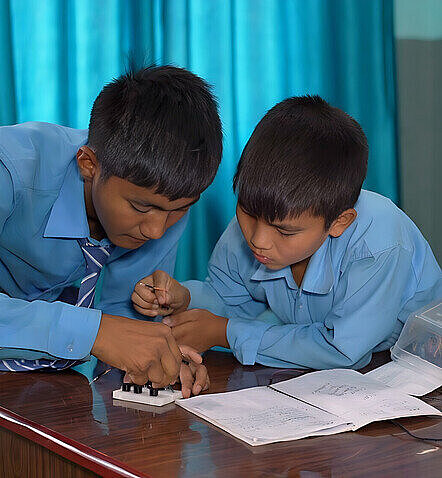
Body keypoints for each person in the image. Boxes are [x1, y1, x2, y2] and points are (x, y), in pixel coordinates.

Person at [132, 95, 441, 370]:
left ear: (339, 222)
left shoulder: (379, 243)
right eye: (248, 213)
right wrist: (185, 297)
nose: (257, 239)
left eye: (284, 231)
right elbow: (229, 301)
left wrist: (225, 333)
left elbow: (344, 350)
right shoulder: (260, 217)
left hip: (413, 370)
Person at [0, 65, 222, 396]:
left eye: (179, 210)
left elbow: (123, 315)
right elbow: (103, 332)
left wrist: (153, 358)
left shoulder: (164, 198)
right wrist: (95, 332)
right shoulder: (11, 171)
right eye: (141, 208)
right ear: (88, 165)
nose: (157, 231)